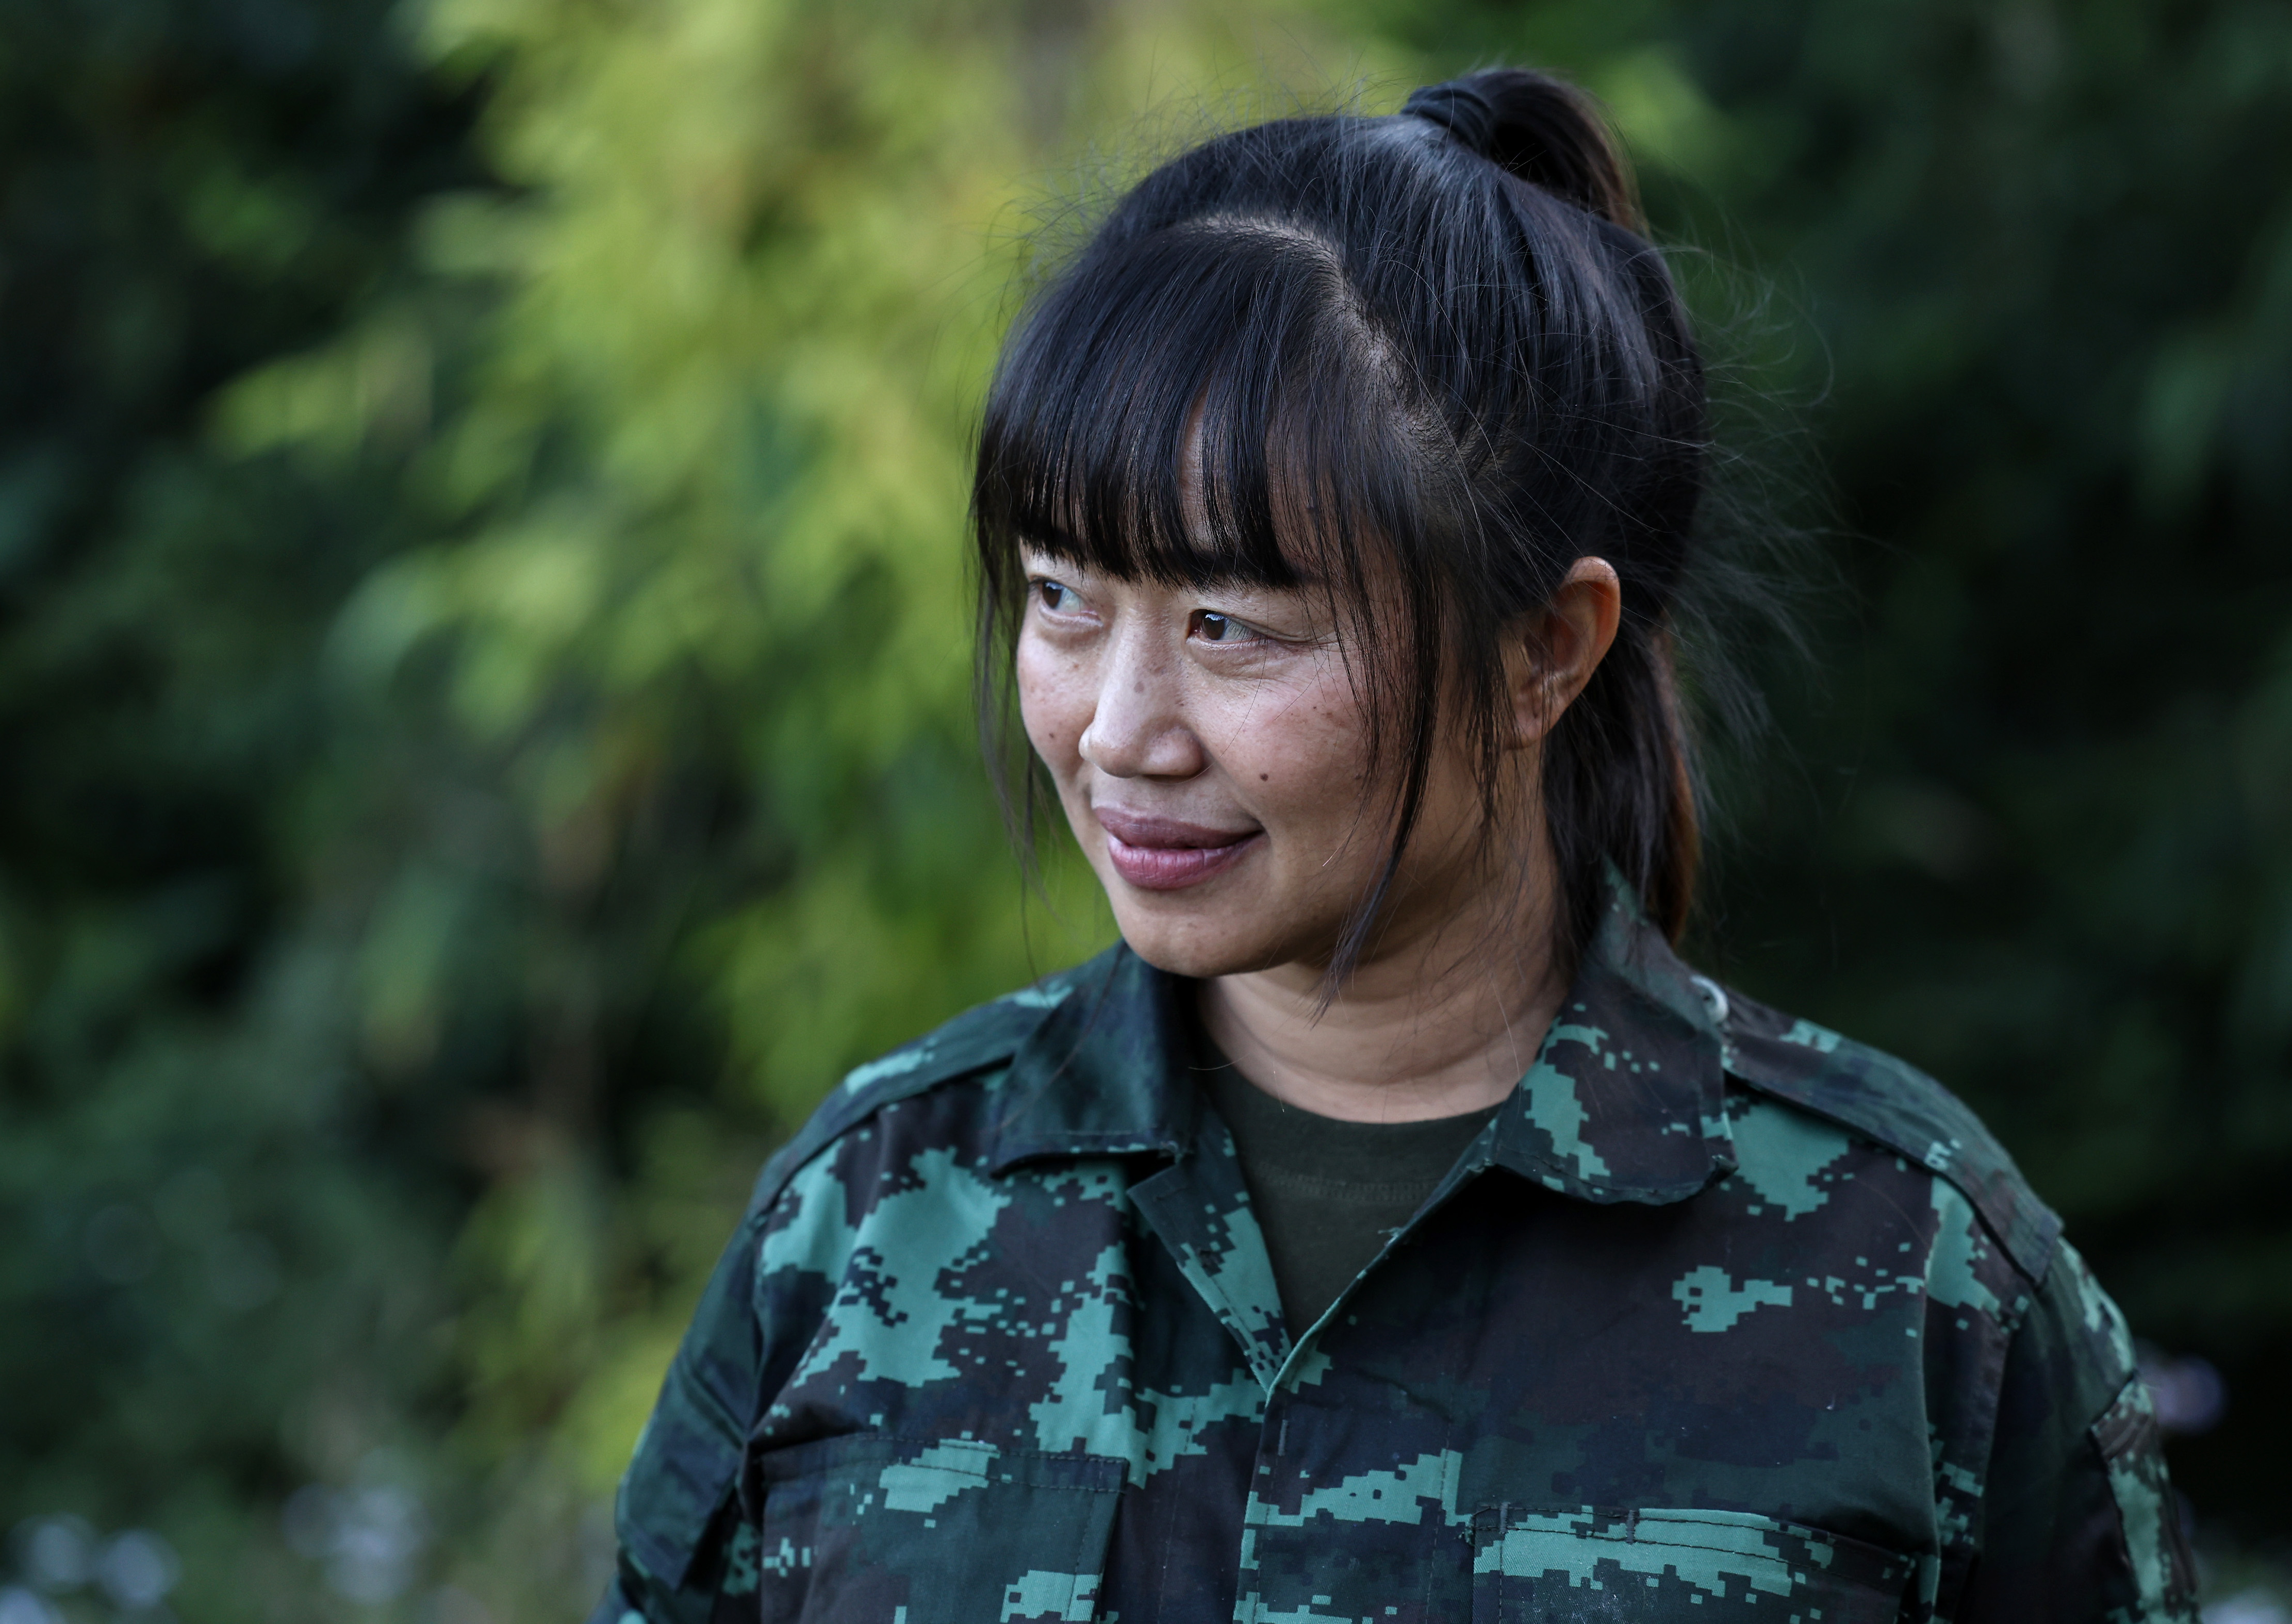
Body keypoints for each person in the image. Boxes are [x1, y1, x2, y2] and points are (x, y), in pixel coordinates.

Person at [591, 68, 2196, 1623]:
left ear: (1542, 653)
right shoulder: (874, 1215)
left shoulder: (1909, 1277)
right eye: (1063, 598)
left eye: (1231, 624)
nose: (1115, 728)